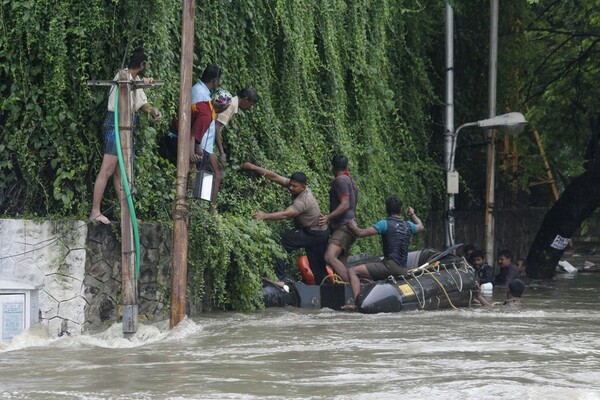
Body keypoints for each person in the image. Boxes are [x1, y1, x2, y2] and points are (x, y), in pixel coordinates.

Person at [89, 48, 162, 224]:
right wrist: (143, 84)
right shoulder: (123, 76)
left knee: (120, 173)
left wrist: (152, 110)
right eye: (147, 64)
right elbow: (126, 92)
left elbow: (141, 103)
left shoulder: (134, 79)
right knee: (107, 169)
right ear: (142, 64)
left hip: (126, 127)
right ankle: (95, 211)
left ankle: (126, 214)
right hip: (115, 125)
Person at [242, 162, 330, 284]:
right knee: (318, 267)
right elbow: (275, 177)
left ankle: (279, 278)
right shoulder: (298, 187)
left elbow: (285, 214)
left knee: (281, 242)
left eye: (294, 186)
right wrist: (253, 167)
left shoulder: (303, 200)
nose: (291, 188)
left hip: (314, 233)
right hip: (318, 232)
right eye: (291, 185)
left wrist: (263, 216)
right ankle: (327, 291)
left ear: (303, 187)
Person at [346, 196, 425, 302]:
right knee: (378, 264)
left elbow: (360, 233)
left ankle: (357, 302)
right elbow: (420, 226)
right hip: (404, 269)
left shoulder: (384, 224)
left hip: (390, 267)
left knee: (352, 271)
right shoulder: (409, 226)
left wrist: (353, 226)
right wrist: (412, 214)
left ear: (386, 210)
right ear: (401, 210)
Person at [319, 155, 359, 284]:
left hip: (343, 226)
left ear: (332, 168)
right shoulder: (351, 180)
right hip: (350, 226)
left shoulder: (340, 180)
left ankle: (356, 287)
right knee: (340, 264)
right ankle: (345, 294)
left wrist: (328, 217)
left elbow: (345, 204)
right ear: (347, 167)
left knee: (329, 256)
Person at [215, 87, 260, 167]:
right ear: (246, 100)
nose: (250, 107)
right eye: (251, 104)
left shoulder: (232, 103)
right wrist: (222, 152)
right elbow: (216, 126)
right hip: (205, 142)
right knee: (217, 173)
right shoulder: (231, 105)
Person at [188, 90, 233, 164]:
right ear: (223, 107)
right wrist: (191, 155)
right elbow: (193, 135)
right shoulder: (206, 116)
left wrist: (198, 145)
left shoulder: (205, 105)